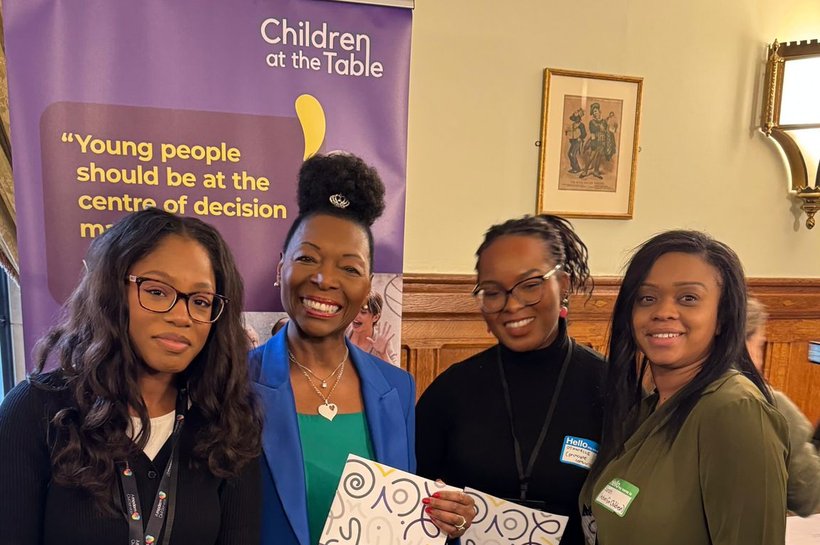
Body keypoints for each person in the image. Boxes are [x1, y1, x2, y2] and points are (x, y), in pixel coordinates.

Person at [249, 152, 475, 545]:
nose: (324, 279)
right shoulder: (233, 383)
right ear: (280, 266)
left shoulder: (397, 389)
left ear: (368, 284)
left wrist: (446, 518)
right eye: (307, 259)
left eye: (349, 268)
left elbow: (402, 522)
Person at [0, 208, 263, 545]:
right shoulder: (35, 412)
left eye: (200, 301)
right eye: (156, 291)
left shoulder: (227, 422)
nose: (182, 316)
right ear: (111, 292)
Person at [580, 230, 789, 545]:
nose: (662, 311)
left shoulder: (735, 411)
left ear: (722, 318)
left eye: (688, 298)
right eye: (647, 297)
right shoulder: (647, 410)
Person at [416, 214, 607, 545]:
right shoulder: (451, 391)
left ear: (561, 284)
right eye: (493, 292)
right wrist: (442, 514)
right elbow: (412, 503)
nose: (512, 304)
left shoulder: (610, 387)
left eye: (530, 285)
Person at [746, 296, 820, 516]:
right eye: (759, 346)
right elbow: (811, 496)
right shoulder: (771, 406)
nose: (759, 360)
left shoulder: (657, 396)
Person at [347, 291, 397, 364]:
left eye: (363, 312)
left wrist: (383, 354)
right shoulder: (341, 333)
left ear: (376, 317)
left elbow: (396, 375)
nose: (356, 316)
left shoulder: (381, 342)